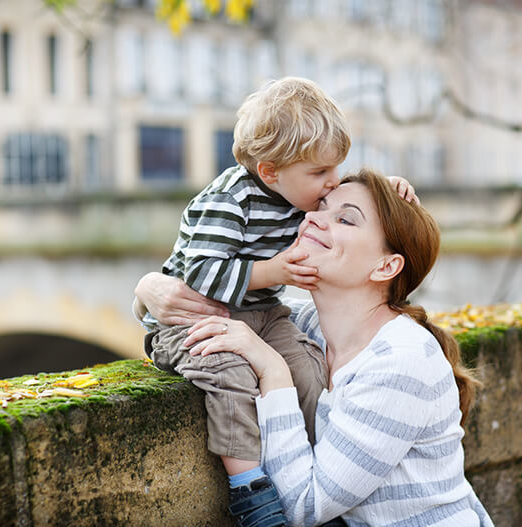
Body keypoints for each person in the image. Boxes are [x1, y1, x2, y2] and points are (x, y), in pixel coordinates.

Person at [135, 169, 493, 526]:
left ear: (386, 266)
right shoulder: (308, 327)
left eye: (345, 219)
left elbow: (303, 508)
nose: (312, 219)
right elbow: (221, 309)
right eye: (321, 206)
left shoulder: (402, 360)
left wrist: (272, 368)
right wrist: (148, 290)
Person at [138, 77, 414, 527]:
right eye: (321, 174)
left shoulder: (297, 191)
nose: (332, 184)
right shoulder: (228, 201)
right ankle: (250, 491)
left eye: (336, 169)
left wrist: (391, 189)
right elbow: (200, 272)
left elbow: (354, 213)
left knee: (307, 371)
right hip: (197, 320)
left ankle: (316, 465)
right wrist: (274, 272)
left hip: (265, 316)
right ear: (270, 171)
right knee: (230, 376)